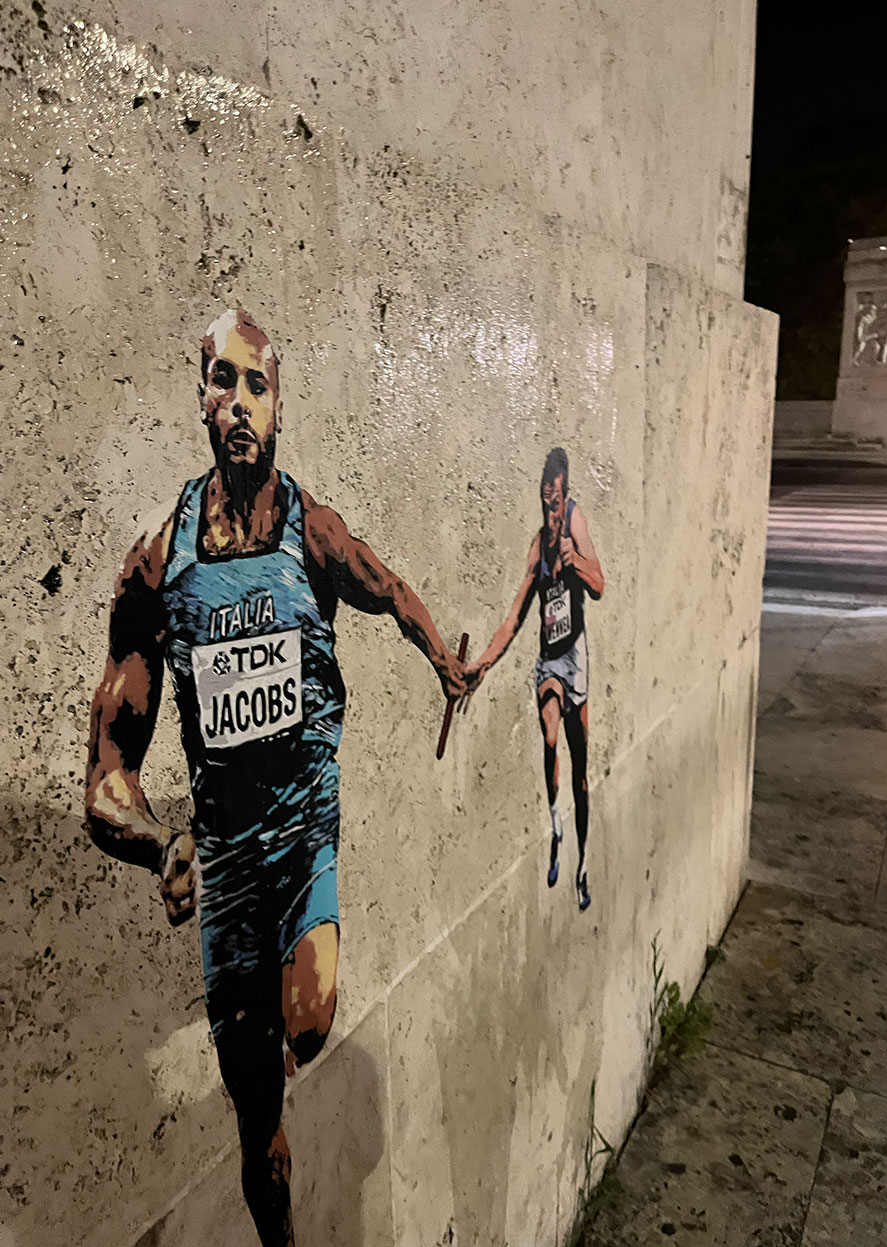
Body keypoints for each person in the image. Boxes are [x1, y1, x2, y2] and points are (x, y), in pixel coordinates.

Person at [84, 308, 466, 1247]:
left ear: (279, 406)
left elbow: (388, 588)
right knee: (257, 1129)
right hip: (225, 867)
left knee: (309, 1021)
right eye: (224, 380)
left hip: (303, 834)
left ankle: (287, 1014)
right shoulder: (157, 562)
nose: (240, 401)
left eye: (257, 383)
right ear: (202, 398)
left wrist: (444, 663)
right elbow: (106, 774)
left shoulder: (311, 528)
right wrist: (158, 843)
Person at [462, 447, 603, 911]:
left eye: (556, 502)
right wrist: (483, 663)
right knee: (549, 730)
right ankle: (555, 822)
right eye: (546, 503)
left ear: (566, 494)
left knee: (581, 771)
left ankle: (582, 863)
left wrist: (575, 560)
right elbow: (514, 618)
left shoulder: (576, 526)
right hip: (549, 661)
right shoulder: (537, 547)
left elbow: (599, 584)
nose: (552, 511)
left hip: (576, 658)